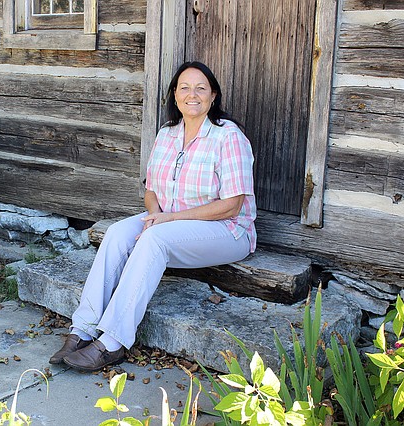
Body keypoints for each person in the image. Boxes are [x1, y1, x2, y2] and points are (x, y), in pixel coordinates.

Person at [49, 61, 257, 372]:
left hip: (227, 230)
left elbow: (232, 204)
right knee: (118, 232)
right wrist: (155, 214)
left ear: (213, 96)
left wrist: (167, 221)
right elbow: (150, 189)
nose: (192, 94)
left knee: (154, 238)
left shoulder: (228, 137)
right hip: (169, 221)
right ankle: (82, 329)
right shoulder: (167, 134)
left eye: (201, 88)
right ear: (175, 96)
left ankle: (113, 342)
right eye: (184, 87)